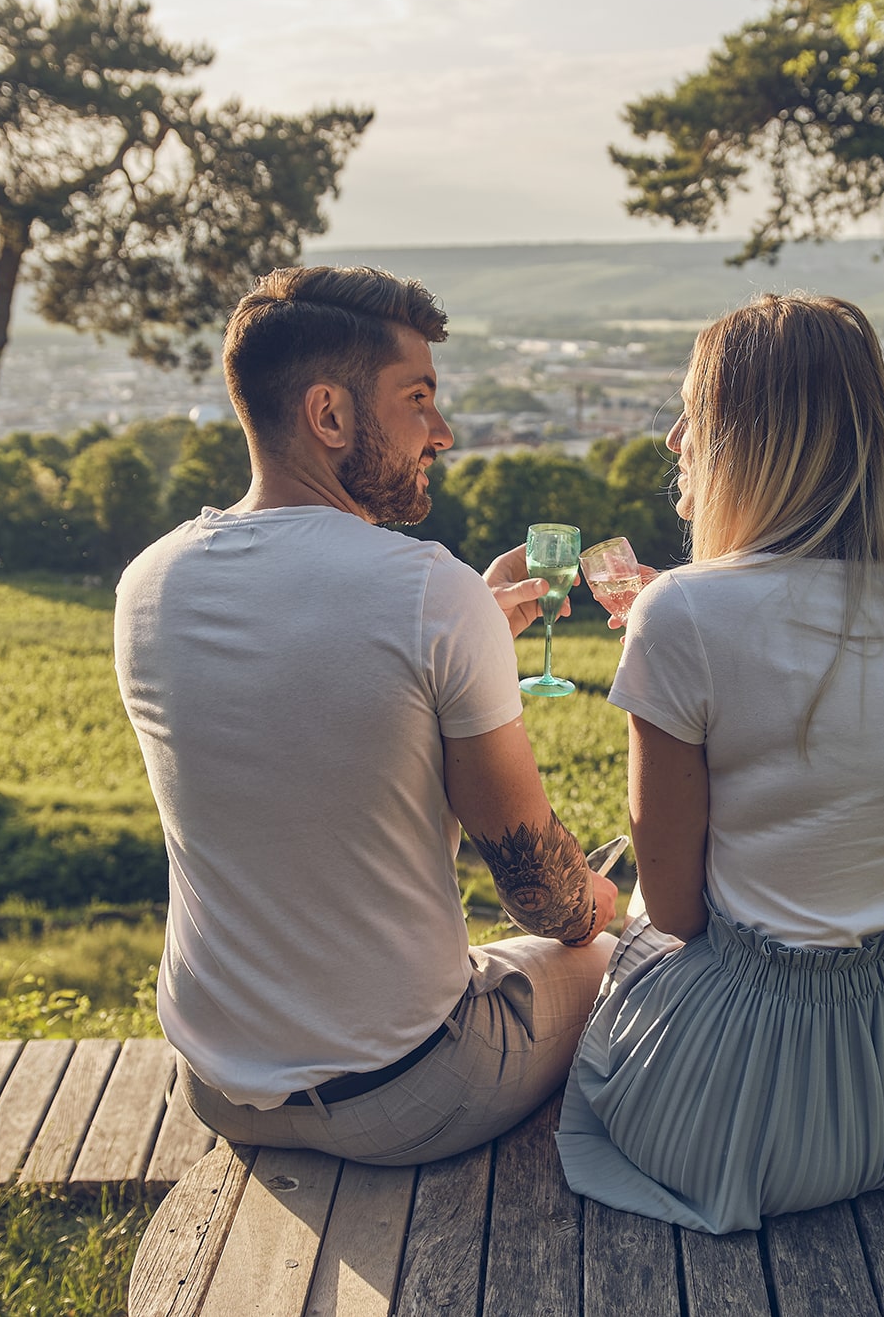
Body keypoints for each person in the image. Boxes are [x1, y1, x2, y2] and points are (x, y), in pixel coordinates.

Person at [114, 265, 618, 1166]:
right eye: (418, 399)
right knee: (614, 951)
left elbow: (315, 691)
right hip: (408, 1093)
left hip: (218, 1084)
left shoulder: (147, 584)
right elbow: (540, 894)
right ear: (330, 414)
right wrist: (602, 911)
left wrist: (471, 634)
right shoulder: (429, 591)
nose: (444, 433)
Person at [557, 293, 884, 1233]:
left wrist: (669, 634)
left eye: (696, 413)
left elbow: (677, 911)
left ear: (754, 441)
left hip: (752, 1104)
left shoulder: (680, 614)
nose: (675, 437)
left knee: (590, 956)